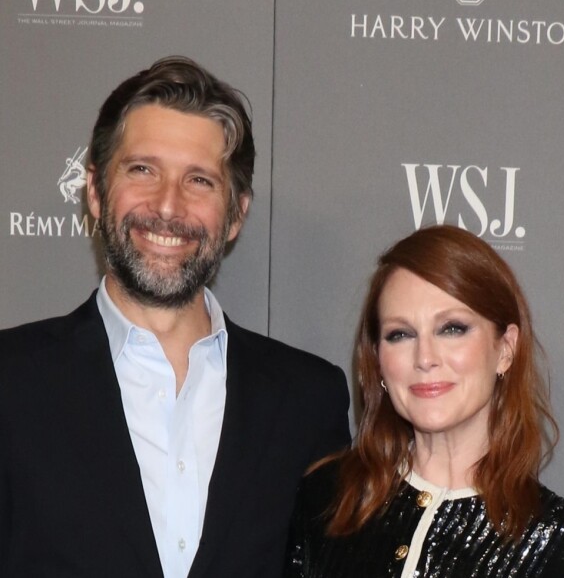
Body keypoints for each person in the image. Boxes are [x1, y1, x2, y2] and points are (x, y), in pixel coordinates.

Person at [0, 56, 350, 578]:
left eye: (200, 181)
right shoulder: (10, 380)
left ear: (235, 215)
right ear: (95, 192)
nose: (168, 205)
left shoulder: (309, 399)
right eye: (143, 170)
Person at [285, 225, 564, 578]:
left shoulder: (563, 544)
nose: (425, 357)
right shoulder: (326, 499)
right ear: (378, 359)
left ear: (505, 349)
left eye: (452, 328)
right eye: (401, 334)